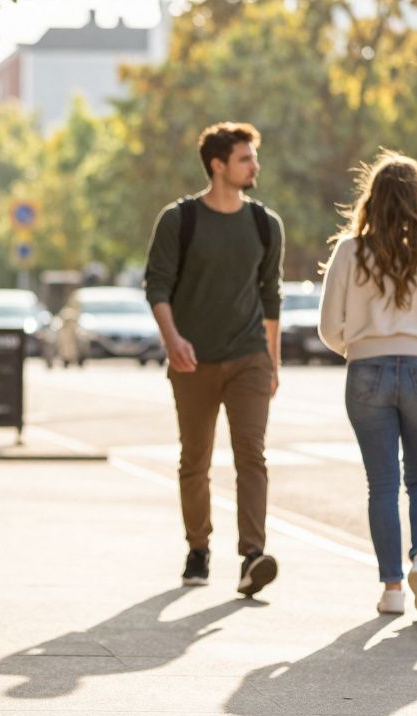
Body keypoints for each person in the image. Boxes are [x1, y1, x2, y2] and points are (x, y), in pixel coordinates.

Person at [145, 121, 285, 596]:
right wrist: (172, 340)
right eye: (245, 158)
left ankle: (252, 556)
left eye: (254, 157)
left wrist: (273, 360)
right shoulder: (179, 220)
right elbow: (157, 286)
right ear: (218, 165)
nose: (254, 165)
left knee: (252, 455)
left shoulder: (266, 224)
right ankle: (199, 548)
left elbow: (271, 297)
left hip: (249, 358)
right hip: (193, 361)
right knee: (195, 459)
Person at [319, 151, 417, 615]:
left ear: (372, 197)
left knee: (380, 483)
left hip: (365, 371)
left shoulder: (349, 250)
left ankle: (393, 590)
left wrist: (356, 349)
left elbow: (328, 326)